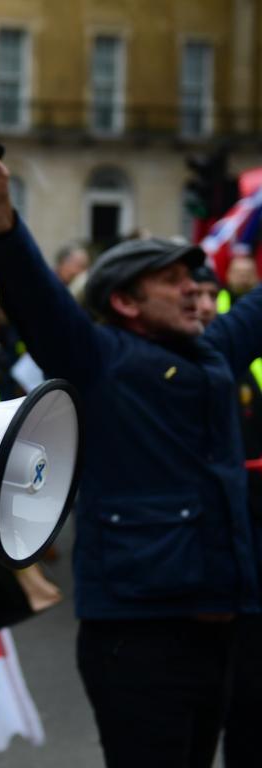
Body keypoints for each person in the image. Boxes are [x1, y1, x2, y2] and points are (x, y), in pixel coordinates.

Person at [0, 115, 261, 768]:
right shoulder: (99, 358)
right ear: (125, 302)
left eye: (197, 280)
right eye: (175, 280)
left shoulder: (216, 351)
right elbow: (35, 300)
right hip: (138, 635)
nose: (196, 291)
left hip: (222, 625)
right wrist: (1, 218)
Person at [192, 265, 262, 768]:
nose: (198, 303)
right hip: (193, 581)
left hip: (248, 569)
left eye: (207, 294)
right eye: (189, 294)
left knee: (249, 711)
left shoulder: (241, 365)